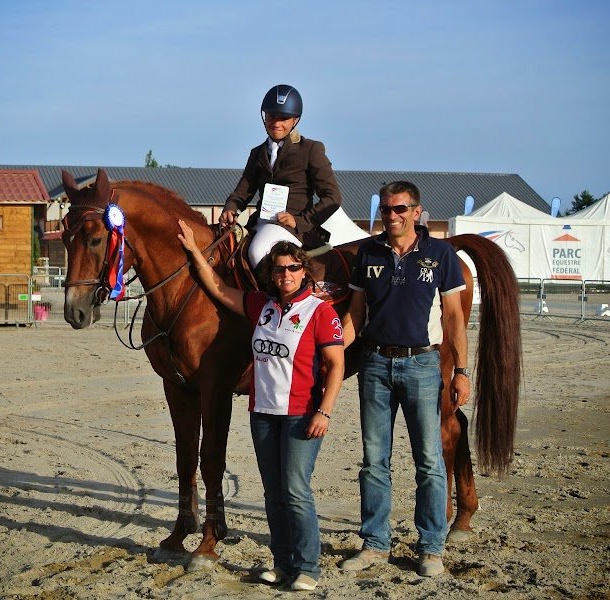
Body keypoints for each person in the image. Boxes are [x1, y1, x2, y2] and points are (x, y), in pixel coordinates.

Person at [177, 219, 344, 591]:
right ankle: (282, 564)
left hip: (302, 415)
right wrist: (193, 252)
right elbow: (219, 289)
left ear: (304, 270)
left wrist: (325, 411)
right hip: (264, 414)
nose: (285, 275)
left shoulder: (320, 312)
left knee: (296, 491)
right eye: (279, 269)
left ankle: (307, 567)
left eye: (292, 268)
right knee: (273, 493)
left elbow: (336, 364)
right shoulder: (261, 305)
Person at [339, 181, 471, 577]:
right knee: (374, 461)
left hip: (422, 365)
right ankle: (375, 544)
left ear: (416, 211)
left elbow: (453, 317)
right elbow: (355, 314)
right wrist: (329, 355)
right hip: (375, 364)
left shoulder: (440, 254)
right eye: (385, 210)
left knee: (428, 460)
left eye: (399, 209)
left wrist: (462, 371)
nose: (391, 216)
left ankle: (431, 548)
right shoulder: (368, 252)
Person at [219, 84, 345, 268]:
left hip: (292, 229)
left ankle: (279, 288)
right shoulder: (257, 153)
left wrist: (300, 221)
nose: (276, 123)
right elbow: (242, 192)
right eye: (271, 117)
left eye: (283, 118)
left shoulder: (311, 149)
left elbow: (333, 197)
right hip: (259, 224)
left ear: (295, 120)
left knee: (258, 251)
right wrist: (230, 209)